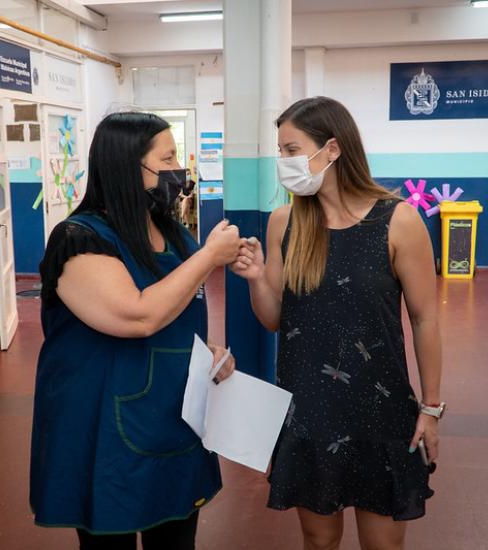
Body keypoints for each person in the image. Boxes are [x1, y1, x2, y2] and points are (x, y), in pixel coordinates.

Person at [231, 96, 441, 550]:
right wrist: (253, 279)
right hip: (309, 408)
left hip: (381, 409)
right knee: (319, 540)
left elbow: (425, 320)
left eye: (290, 149)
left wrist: (431, 408)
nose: (282, 161)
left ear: (331, 149)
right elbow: (273, 320)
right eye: (280, 151)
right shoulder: (285, 222)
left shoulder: (398, 221)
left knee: (382, 544)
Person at [30, 112, 241, 550]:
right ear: (129, 167)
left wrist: (209, 353)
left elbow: (177, 318)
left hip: (174, 420)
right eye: (167, 158)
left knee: (177, 537)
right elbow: (137, 317)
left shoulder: (175, 235)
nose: (177, 169)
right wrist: (208, 258)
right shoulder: (80, 238)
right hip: (107, 424)